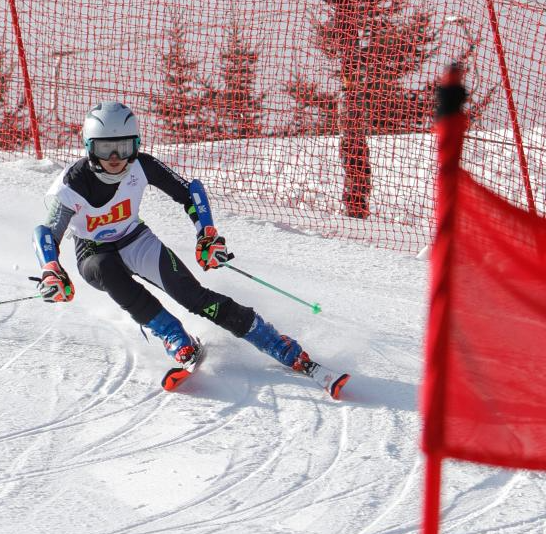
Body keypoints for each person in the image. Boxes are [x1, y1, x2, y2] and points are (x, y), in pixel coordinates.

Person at [31, 101, 348, 396]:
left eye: (123, 147)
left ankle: (276, 343)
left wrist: (206, 234)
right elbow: (48, 231)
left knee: (192, 296)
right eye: (105, 149)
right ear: (89, 148)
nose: (115, 158)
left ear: (135, 145)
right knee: (107, 270)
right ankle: (174, 336)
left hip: (134, 238)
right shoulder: (73, 183)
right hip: (94, 250)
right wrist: (51, 269)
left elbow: (190, 192)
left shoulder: (142, 166)